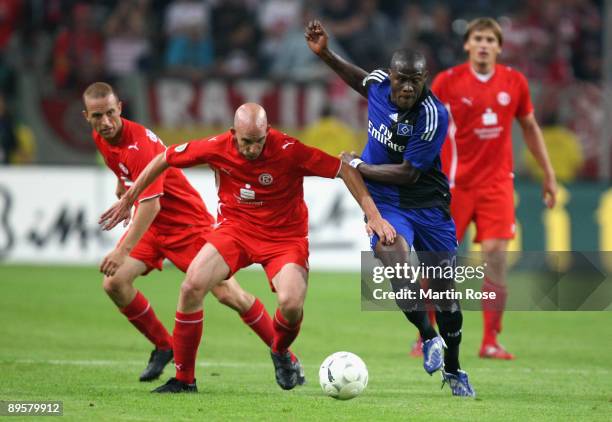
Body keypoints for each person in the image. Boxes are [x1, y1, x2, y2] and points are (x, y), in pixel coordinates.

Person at [99, 102, 396, 393]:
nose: (252, 149)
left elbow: (343, 169)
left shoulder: (288, 150)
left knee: (291, 305)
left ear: (268, 131)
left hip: (284, 239)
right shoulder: (217, 146)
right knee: (192, 286)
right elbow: (165, 157)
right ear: (233, 133)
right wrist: (129, 198)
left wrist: (374, 216)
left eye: (258, 141)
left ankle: (280, 351)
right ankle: (184, 379)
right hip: (236, 231)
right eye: (245, 142)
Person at [83, 83, 296, 383]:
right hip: (154, 230)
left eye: (109, 113)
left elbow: (151, 206)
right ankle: (163, 345)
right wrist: (123, 184)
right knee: (114, 283)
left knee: (229, 294)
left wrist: (121, 250)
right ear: (87, 117)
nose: (105, 122)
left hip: (186, 226)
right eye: (97, 116)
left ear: (120, 108)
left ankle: (286, 357)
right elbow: (124, 170)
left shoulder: (140, 145)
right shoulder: (101, 137)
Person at [305, 20, 475, 397]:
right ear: (392, 77)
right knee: (392, 256)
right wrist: (326, 55)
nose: (408, 87)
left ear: (425, 78)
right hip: (387, 204)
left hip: (427, 205)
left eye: (416, 80)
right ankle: (427, 336)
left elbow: (409, 174)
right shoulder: (380, 83)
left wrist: (359, 167)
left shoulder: (433, 115)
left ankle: (454, 367)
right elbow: (359, 80)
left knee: (446, 295)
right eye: (402, 80)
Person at [431, 17, 557, 360]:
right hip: (454, 185)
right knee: (440, 263)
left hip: (497, 186)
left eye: (490, 39)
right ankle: (428, 335)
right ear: (467, 45)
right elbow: (427, 128)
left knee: (496, 259)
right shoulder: (448, 81)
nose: (484, 44)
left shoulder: (514, 82)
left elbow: (529, 127)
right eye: (478, 38)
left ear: (499, 47)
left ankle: (490, 340)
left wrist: (548, 173)